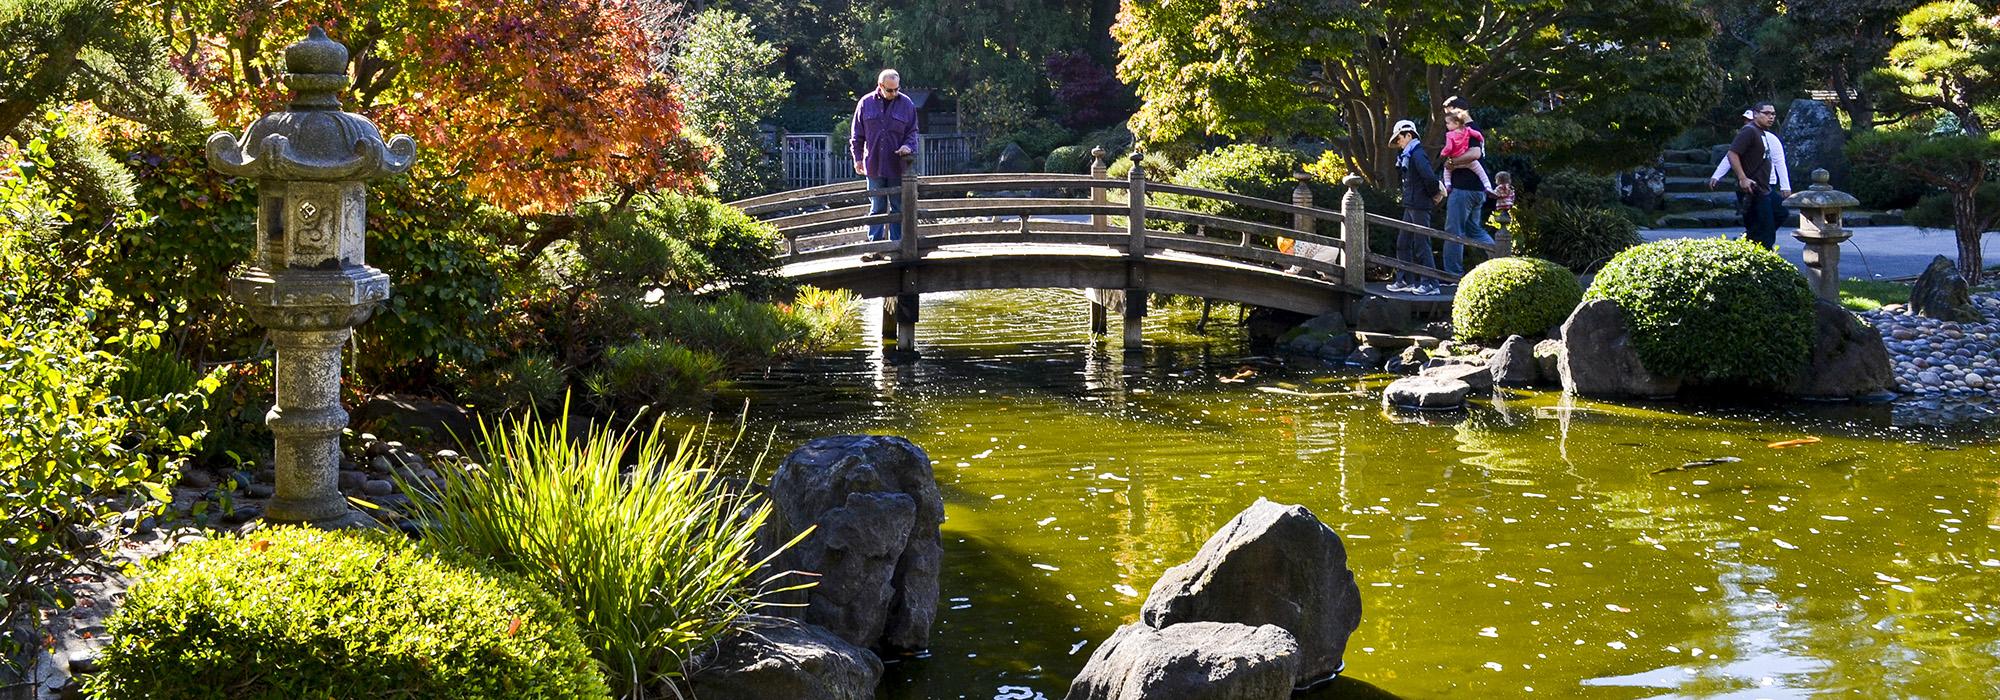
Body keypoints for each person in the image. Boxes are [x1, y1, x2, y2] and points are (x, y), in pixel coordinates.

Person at [851, 69, 920, 248]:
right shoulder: (865, 103)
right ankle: (875, 245)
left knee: (898, 207)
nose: (894, 93)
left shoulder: (907, 104)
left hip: (897, 165)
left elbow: (912, 132)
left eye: (897, 89)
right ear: (880, 86)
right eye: (890, 90)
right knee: (877, 207)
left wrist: (908, 146)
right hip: (873, 164)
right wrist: (857, 159)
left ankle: (897, 245)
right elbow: (857, 135)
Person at [1710, 107, 1792, 244]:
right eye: (1766, 114)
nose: (1770, 117)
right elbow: (1731, 154)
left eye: (1772, 114)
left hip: (1765, 185)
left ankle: (1750, 240)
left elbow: (1779, 161)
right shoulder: (1748, 132)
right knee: (1762, 223)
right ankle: (1754, 245)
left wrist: (1785, 185)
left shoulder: (1766, 135)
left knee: (1777, 215)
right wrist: (1720, 176)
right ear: (1755, 116)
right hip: (1752, 187)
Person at [1436, 108, 1494, 279]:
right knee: (1474, 230)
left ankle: (1452, 274)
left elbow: (1475, 154)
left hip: (1463, 189)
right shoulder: (1473, 130)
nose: (1446, 123)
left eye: (1448, 113)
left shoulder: (1463, 130)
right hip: (1476, 190)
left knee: (1454, 231)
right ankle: (1502, 258)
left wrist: (1451, 162)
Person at [1388, 119, 1442, 296]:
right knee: (1403, 243)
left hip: (1419, 205)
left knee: (1421, 244)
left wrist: (1434, 195)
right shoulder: (1409, 155)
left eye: (1400, 138)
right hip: (1411, 204)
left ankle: (1431, 283)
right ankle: (1405, 280)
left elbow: (1430, 178)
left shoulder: (1417, 154)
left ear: (1409, 135)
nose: (1398, 143)